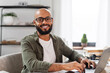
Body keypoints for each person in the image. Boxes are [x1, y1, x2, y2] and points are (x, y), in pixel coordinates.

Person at [21, 8, 96, 73]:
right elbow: (32, 65)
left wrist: (82, 59)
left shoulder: (57, 40)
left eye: (47, 19)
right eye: (40, 19)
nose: (44, 22)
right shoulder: (27, 41)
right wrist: (64, 66)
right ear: (35, 22)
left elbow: (71, 53)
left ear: (51, 21)